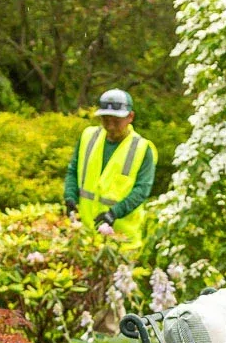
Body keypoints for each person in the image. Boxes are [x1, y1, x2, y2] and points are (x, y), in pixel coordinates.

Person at [64, 89, 157, 246]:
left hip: (122, 239)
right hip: (86, 236)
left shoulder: (142, 149)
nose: (111, 126)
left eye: (116, 121)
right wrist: (70, 197)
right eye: (106, 120)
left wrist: (115, 213)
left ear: (130, 117)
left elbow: (142, 190)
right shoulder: (88, 137)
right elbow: (73, 171)